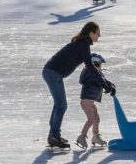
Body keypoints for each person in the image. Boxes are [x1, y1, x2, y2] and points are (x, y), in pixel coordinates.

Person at [41, 21, 101, 152]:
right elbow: (90, 66)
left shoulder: (82, 43)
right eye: (98, 33)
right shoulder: (83, 43)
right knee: (61, 105)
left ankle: (53, 135)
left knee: (59, 104)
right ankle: (54, 136)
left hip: (52, 72)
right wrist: (103, 82)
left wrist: (104, 82)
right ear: (91, 33)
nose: (99, 36)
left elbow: (90, 65)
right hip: (52, 72)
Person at [75, 52, 115, 152]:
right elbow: (97, 80)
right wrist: (106, 84)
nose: (101, 66)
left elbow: (103, 80)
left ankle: (95, 136)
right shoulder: (89, 71)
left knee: (96, 118)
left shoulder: (97, 72)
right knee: (91, 119)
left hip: (90, 101)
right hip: (86, 100)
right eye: (100, 64)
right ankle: (82, 136)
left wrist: (111, 85)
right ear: (96, 63)